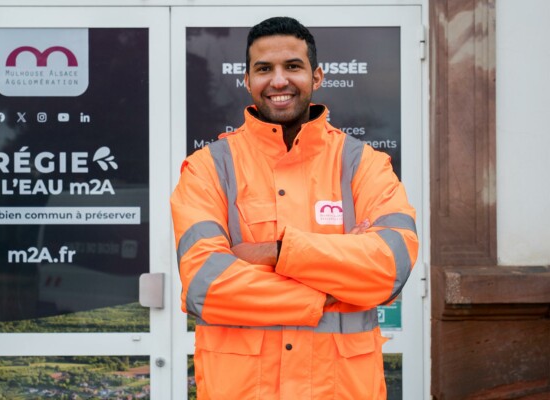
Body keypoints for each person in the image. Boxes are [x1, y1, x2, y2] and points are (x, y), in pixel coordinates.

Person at [170, 16, 419, 399]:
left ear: (316, 76)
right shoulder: (208, 168)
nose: (279, 80)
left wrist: (276, 252)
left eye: (292, 66)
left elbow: (389, 268)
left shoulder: (363, 164)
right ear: (247, 80)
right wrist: (331, 292)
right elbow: (205, 285)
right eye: (264, 69)